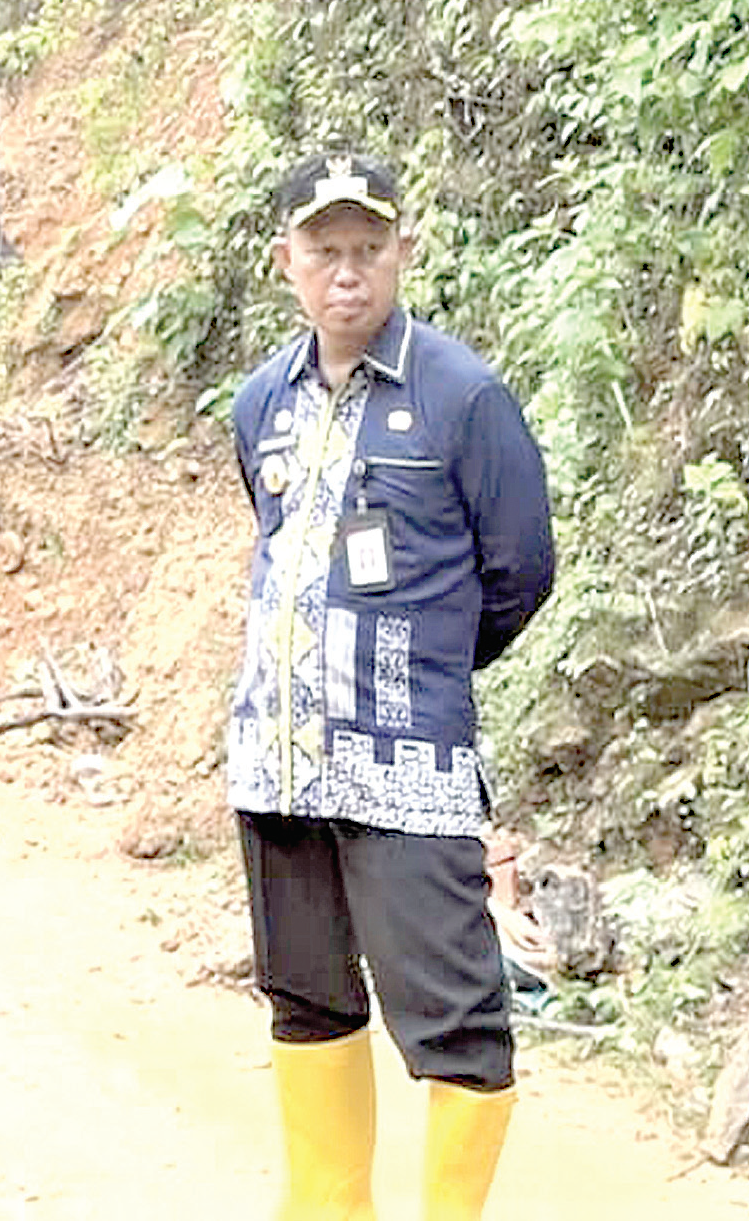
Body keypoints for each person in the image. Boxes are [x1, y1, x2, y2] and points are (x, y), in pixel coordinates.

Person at [226, 151, 556, 1221]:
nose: (347, 273)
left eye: (368, 250)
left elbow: (518, 570)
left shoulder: (463, 398)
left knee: (456, 1016)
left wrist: (419, 666)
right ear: (287, 263)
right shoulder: (259, 403)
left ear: (401, 253)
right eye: (324, 252)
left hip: (405, 766)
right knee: (308, 1002)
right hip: (277, 764)